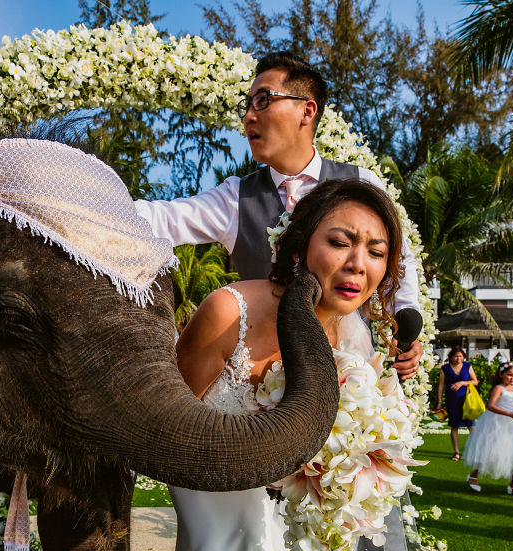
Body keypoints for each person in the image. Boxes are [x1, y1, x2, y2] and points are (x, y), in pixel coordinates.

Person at [170, 178, 413, 551]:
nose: (357, 262)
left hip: (300, 538)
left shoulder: (353, 335)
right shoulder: (229, 312)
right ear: (299, 247)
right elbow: (168, 426)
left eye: (375, 252)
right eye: (340, 242)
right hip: (216, 523)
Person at [134, 50, 424, 379]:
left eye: (263, 99)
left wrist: (405, 319)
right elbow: (159, 219)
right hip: (262, 382)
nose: (248, 117)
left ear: (307, 110)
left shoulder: (361, 182)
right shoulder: (235, 198)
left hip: (350, 371)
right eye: (247, 105)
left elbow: (400, 261)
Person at [462, 363, 513, 497]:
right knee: (488, 451)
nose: (512, 378)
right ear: (501, 375)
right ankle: (473, 476)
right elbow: (491, 406)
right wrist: (509, 414)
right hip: (496, 423)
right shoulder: (498, 388)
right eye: (509, 375)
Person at [435, 347, 478, 461]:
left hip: (466, 401)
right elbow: (441, 385)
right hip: (452, 400)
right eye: (456, 356)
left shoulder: (467, 366)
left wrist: (462, 383)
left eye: (460, 356)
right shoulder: (445, 368)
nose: (458, 358)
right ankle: (457, 452)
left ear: (464, 356)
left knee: (471, 426)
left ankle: (475, 451)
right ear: (451, 357)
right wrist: (440, 401)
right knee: (454, 426)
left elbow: (475, 381)